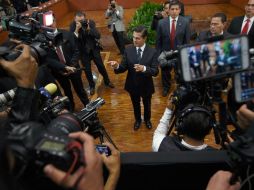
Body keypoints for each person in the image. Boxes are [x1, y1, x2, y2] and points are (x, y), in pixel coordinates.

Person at [108, 25, 159, 130]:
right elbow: (123, 67)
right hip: (133, 85)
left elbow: (155, 71)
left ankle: (147, 120)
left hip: (146, 85)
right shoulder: (128, 50)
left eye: (137, 38)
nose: (134, 40)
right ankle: (138, 120)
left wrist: (144, 68)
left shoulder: (152, 51)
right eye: (133, 37)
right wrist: (116, 66)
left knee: (147, 105)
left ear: (144, 38)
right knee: (135, 105)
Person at [47, 16, 89, 111]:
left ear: (55, 21)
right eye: (47, 23)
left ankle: (88, 107)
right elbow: (48, 59)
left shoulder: (66, 34)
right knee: (67, 92)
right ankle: (71, 109)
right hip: (60, 73)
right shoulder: (44, 40)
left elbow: (76, 51)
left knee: (80, 90)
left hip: (74, 69)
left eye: (52, 21)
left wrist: (71, 67)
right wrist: (62, 69)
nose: (50, 24)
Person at [70, 11, 114, 95]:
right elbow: (72, 40)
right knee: (87, 71)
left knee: (101, 66)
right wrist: (76, 29)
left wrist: (89, 29)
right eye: (78, 21)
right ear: (75, 19)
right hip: (83, 53)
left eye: (82, 20)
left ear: (85, 18)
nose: (80, 22)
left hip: (94, 49)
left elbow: (98, 35)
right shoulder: (72, 26)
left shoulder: (90, 23)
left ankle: (107, 81)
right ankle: (91, 86)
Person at [156, 0, 190, 97]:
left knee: (179, 73)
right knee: (165, 73)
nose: (174, 11)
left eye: (176, 9)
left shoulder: (185, 22)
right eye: (172, 9)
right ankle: (166, 88)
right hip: (165, 54)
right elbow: (158, 42)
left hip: (178, 54)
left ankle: (180, 89)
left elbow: (186, 41)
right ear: (169, 11)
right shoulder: (161, 23)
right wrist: (159, 57)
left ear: (179, 10)